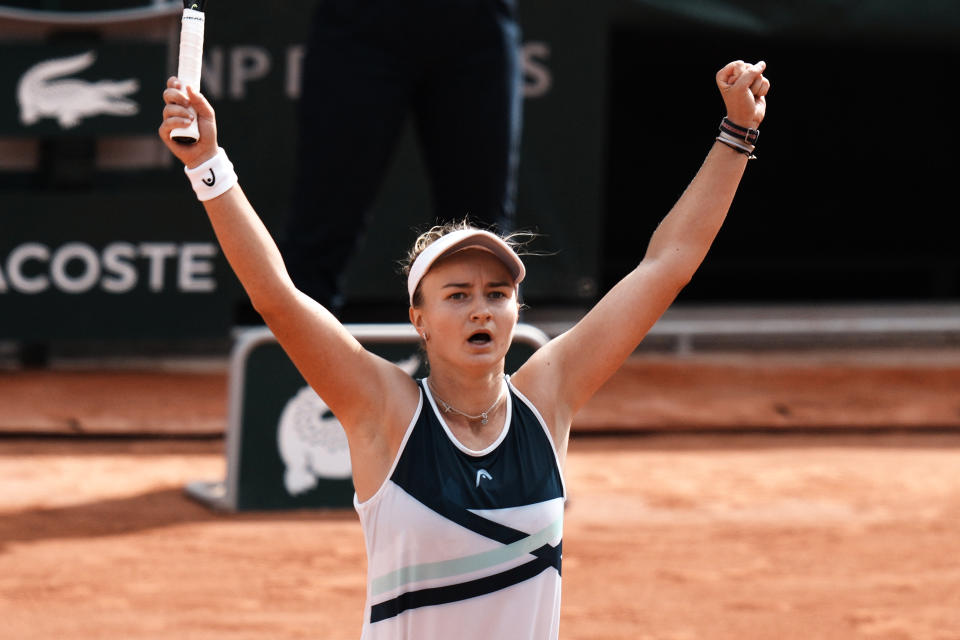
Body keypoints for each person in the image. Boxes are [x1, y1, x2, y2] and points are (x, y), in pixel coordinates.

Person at [159, 58, 769, 639]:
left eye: (497, 292)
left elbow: (667, 265)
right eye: (456, 295)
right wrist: (207, 165)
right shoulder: (383, 412)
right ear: (417, 320)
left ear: (515, 311)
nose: (481, 307)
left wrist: (737, 132)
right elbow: (279, 299)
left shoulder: (548, 398)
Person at [280, 0, 523, 315]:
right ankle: (299, 362)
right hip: (359, 25)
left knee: (480, 239)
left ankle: (478, 362)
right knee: (321, 228)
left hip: (476, 22)